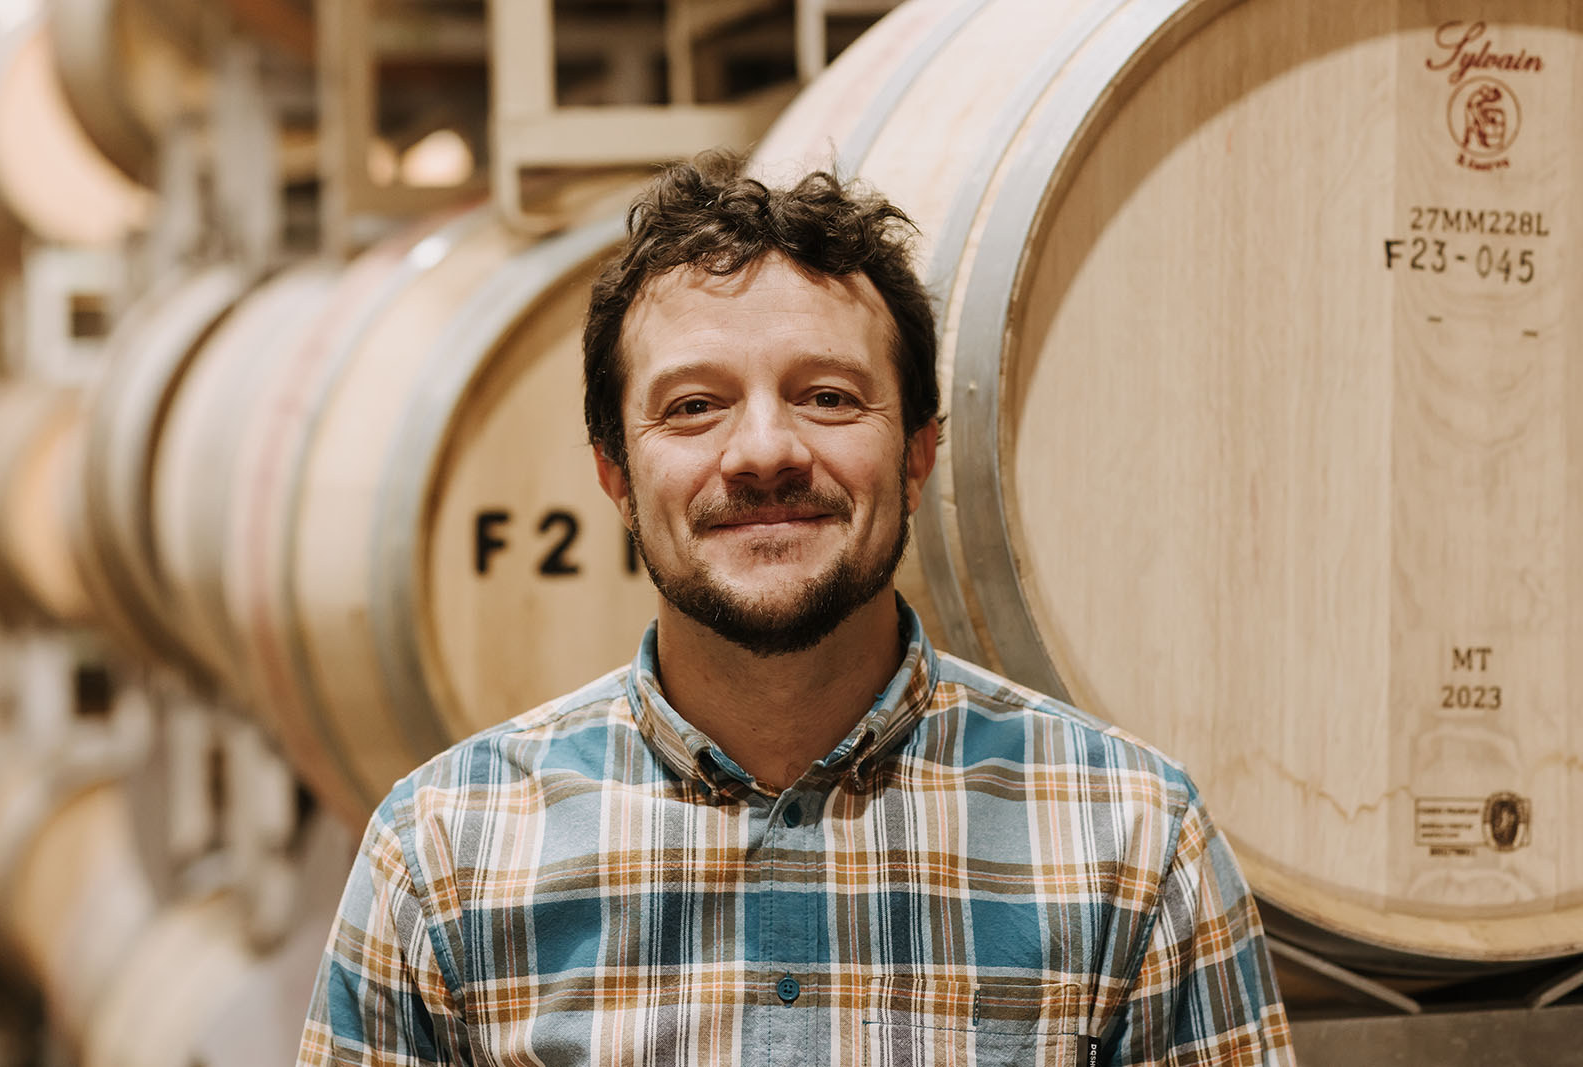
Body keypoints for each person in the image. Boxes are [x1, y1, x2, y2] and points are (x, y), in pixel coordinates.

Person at [298, 152, 1295, 1066]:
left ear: (915, 455)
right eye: (694, 405)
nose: (764, 450)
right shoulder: (445, 854)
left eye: (826, 395)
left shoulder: (1126, 838)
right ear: (614, 473)